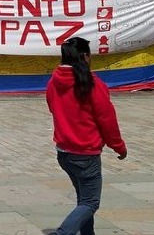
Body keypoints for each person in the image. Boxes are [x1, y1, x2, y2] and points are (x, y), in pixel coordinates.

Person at [45, 36, 127, 235]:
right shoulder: (91, 84)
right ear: (84, 57)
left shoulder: (54, 82)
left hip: (64, 153)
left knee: (83, 200)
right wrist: (119, 146)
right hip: (85, 154)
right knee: (90, 202)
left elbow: (52, 108)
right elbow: (107, 119)